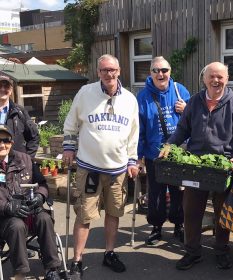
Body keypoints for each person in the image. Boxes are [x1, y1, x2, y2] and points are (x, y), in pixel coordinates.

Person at [160, 62, 233, 270]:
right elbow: (182, 130)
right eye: (212, 76)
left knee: (222, 211)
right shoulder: (194, 102)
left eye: (220, 77)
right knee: (191, 210)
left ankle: (221, 250)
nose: (216, 80)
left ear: (227, 79)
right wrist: (169, 145)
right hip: (196, 165)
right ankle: (192, 252)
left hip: (223, 166)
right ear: (204, 79)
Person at [62, 54, 139, 278]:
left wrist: (132, 160)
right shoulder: (85, 93)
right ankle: (77, 259)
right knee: (84, 215)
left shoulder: (130, 100)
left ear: (119, 71)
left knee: (114, 213)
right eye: (104, 70)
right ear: (98, 72)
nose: (108, 74)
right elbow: (71, 123)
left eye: (112, 70)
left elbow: (134, 134)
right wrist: (68, 147)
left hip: (117, 170)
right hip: (90, 168)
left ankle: (109, 253)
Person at [137, 56, 190, 245]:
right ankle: (156, 227)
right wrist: (139, 156)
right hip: (154, 153)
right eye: (156, 71)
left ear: (170, 71)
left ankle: (178, 225)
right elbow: (140, 129)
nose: (161, 74)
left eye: (164, 70)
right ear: (150, 73)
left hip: (178, 152)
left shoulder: (180, 90)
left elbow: (194, 119)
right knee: (156, 193)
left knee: (179, 191)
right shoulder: (142, 97)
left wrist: (186, 109)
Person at [0, 124, 61, 280]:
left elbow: (42, 184)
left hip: (29, 211)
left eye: (6, 140)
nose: (2, 144)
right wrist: (6, 207)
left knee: (45, 218)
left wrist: (40, 196)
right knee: (16, 225)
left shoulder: (25, 159)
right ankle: (20, 272)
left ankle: (52, 268)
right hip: (4, 218)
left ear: (12, 142)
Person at [0, 75, 39, 158]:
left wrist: (27, 159)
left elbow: (34, 137)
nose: (2, 89)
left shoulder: (20, 112)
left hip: (16, 165)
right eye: (0, 86)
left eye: (6, 86)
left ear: (10, 91)